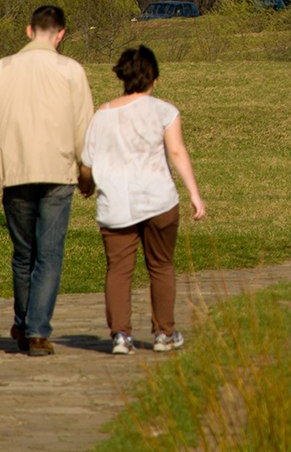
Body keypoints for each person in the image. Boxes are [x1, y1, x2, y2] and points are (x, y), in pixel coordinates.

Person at [0, 3, 95, 357]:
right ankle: (37, 330)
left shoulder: (2, 69)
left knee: (24, 254)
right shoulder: (72, 71)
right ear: (61, 34)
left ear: (28, 30)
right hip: (59, 172)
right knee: (49, 255)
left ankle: (25, 324)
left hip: (16, 172)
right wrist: (88, 174)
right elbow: (84, 127)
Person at [82, 45, 206, 355]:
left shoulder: (102, 114)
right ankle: (164, 332)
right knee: (161, 266)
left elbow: (86, 163)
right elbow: (176, 152)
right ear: (154, 79)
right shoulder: (164, 111)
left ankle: (121, 335)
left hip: (116, 202)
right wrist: (194, 193)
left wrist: (85, 184)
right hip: (158, 200)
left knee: (119, 269)